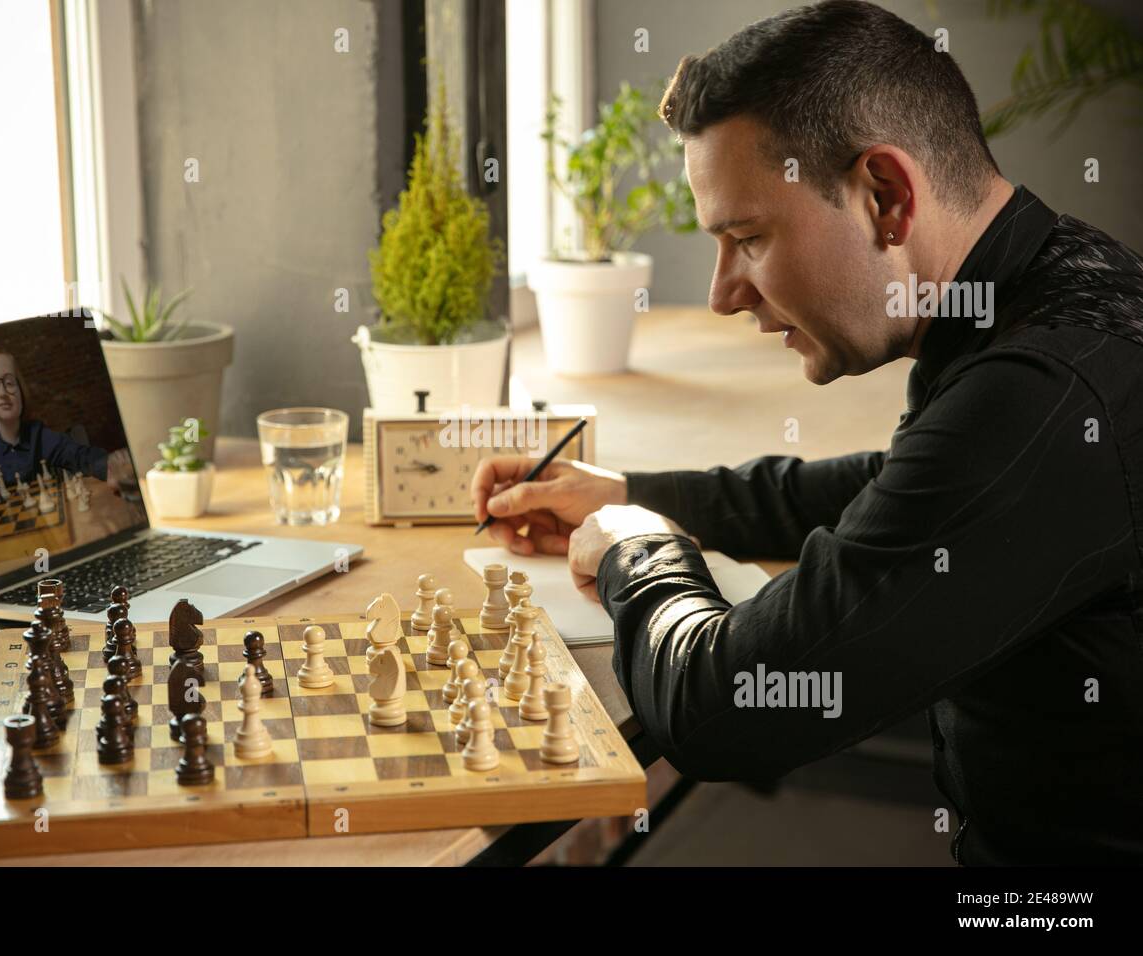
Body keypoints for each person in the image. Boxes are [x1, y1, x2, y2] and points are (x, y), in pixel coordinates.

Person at [472, 0, 1143, 864]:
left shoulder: (1048, 392)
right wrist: (632, 494)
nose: (722, 294)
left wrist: (637, 547)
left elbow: (729, 708)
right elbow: (908, 488)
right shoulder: (1058, 287)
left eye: (747, 238)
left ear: (886, 196)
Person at [0, 345, 133, 522]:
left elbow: (79, 455)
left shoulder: (40, 436)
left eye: (9, 382)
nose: (3, 393)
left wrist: (109, 464)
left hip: (49, 524)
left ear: (21, 390)